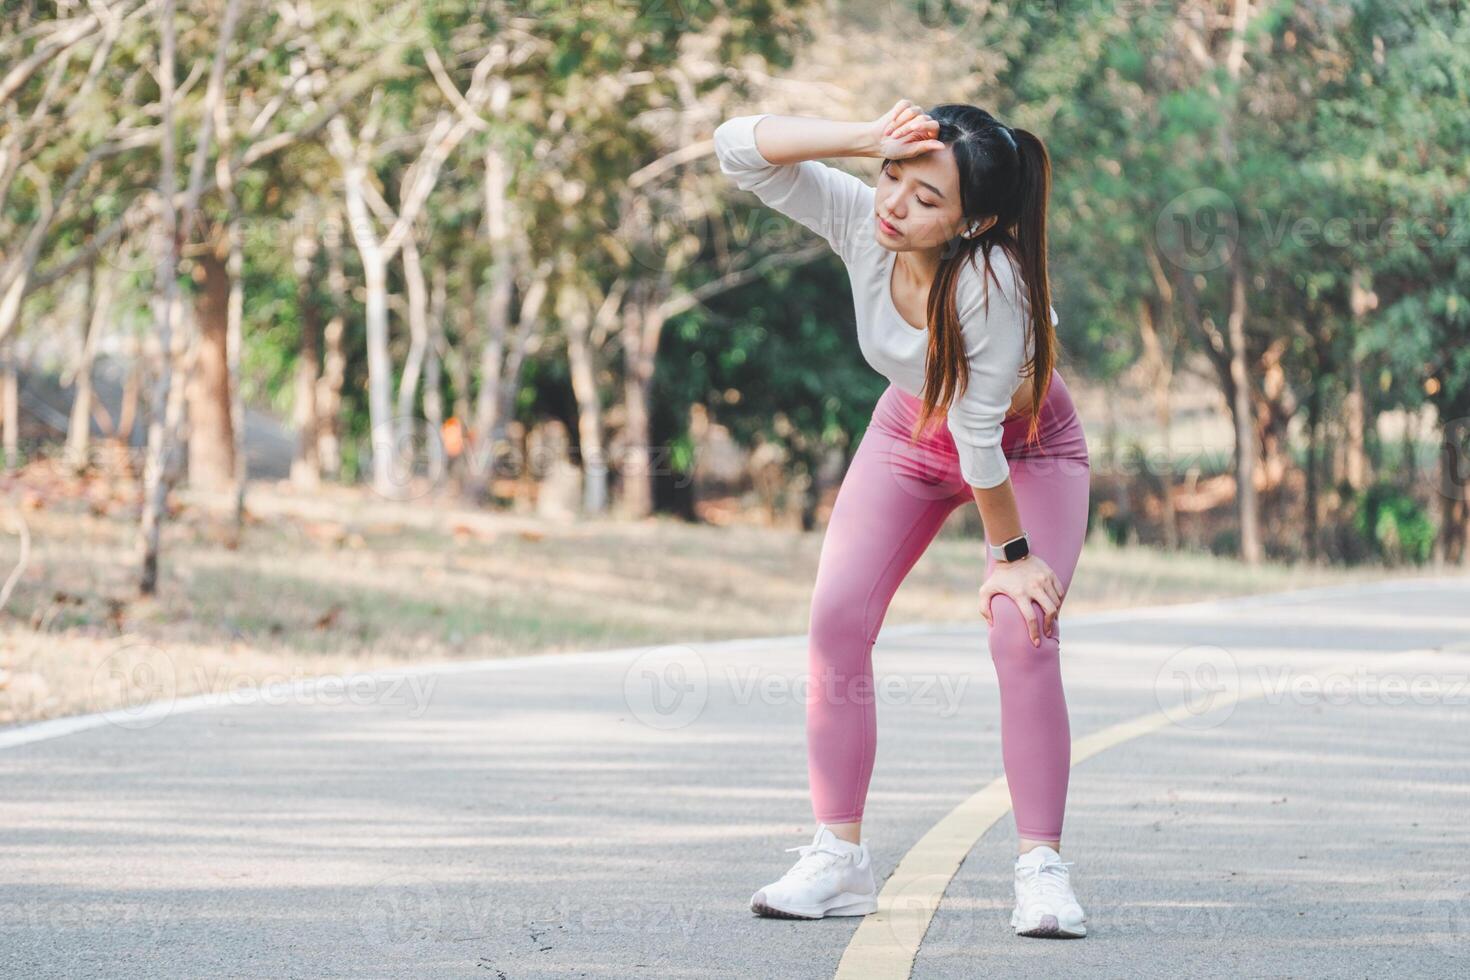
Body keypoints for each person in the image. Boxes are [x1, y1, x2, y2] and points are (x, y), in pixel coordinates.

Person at [711, 99, 1091, 938]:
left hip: (1025, 451)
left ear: (973, 221)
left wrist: (1013, 558)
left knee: (1018, 625)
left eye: (927, 200)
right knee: (836, 618)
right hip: (913, 430)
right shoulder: (863, 218)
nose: (894, 204)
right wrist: (863, 140)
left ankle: (1041, 869)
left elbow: (981, 434)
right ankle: (838, 858)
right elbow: (738, 148)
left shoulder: (993, 280)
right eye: (894, 178)